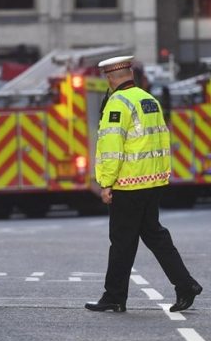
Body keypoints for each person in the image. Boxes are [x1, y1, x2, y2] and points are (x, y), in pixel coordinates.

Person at [85, 55, 202, 314]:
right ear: (130, 74)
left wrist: (106, 183)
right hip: (152, 181)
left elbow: (113, 148)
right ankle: (185, 284)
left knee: (122, 241)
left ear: (110, 78)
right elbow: (161, 140)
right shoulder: (149, 100)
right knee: (154, 235)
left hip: (128, 184)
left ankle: (114, 296)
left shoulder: (118, 103)